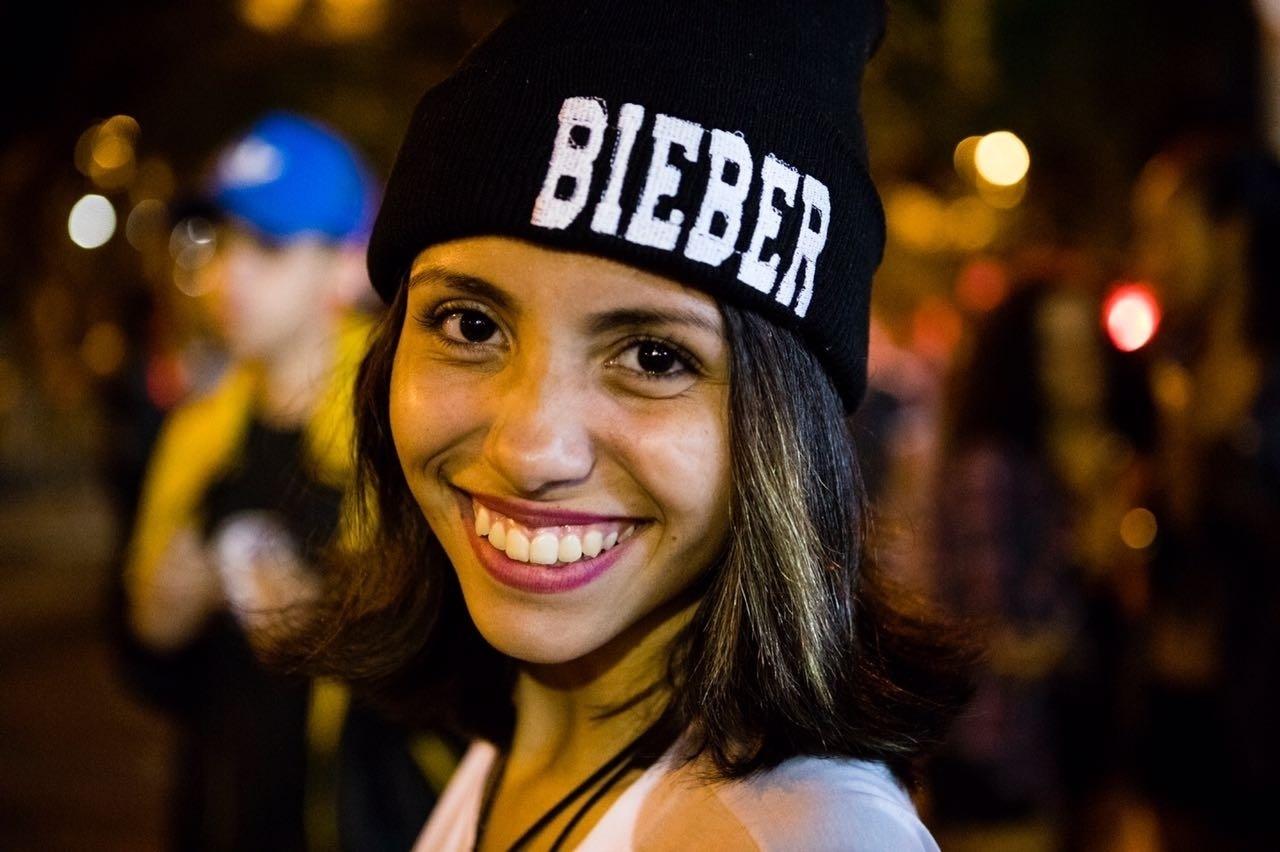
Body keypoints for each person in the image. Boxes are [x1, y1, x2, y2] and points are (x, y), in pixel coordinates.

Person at [282, 2, 974, 849]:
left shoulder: (800, 835)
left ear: (787, 429)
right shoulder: (524, 740)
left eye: (653, 357)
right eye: (469, 325)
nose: (530, 448)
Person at [118, 113, 439, 851]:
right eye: (222, 240)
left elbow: (469, 676)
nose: (229, 273)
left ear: (344, 265)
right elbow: (154, 664)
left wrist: (337, 635)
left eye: (267, 245)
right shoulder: (199, 429)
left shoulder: (404, 423)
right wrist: (155, 628)